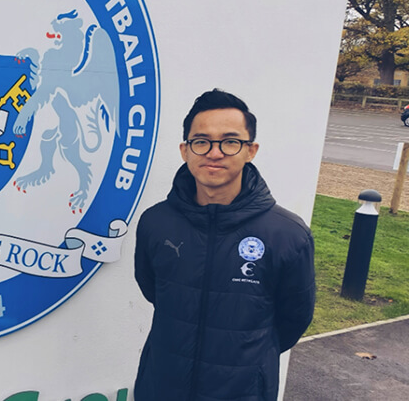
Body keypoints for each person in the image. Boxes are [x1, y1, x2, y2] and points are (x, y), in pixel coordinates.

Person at [133, 89, 315, 401]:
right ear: (185, 150)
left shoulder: (287, 234)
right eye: (201, 141)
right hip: (162, 385)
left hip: (242, 392)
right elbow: (153, 290)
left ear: (251, 150)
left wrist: (246, 363)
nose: (214, 153)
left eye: (230, 142)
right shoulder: (155, 222)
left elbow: (293, 319)